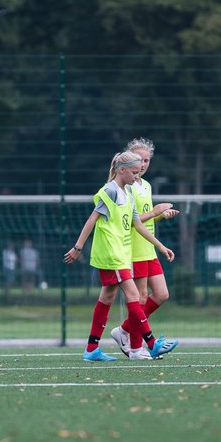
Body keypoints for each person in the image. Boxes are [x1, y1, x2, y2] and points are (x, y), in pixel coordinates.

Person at [64, 151, 179, 362]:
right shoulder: (110, 191)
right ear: (121, 170)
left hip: (121, 253)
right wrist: (78, 247)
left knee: (107, 296)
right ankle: (152, 344)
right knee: (134, 296)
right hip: (112, 253)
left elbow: (137, 225)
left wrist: (161, 246)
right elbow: (92, 219)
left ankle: (91, 349)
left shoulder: (127, 193)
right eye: (134, 172)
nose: (137, 176)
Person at [111, 137, 179, 358]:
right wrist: (157, 210)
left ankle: (123, 331)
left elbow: (145, 220)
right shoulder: (127, 186)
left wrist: (161, 216)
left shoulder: (146, 185)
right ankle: (135, 347)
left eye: (147, 160)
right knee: (139, 298)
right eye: (139, 159)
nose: (143, 164)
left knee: (161, 295)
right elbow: (132, 221)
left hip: (149, 247)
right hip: (135, 249)